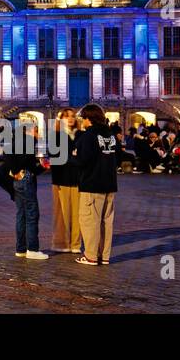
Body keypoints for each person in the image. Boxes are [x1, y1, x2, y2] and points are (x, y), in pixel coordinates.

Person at [75, 104, 118, 266]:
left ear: (89, 119)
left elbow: (83, 160)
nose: (82, 122)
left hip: (92, 183)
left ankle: (91, 255)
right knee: (107, 222)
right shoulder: (111, 134)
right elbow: (117, 156)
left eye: (83, 118)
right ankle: (104, 255)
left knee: (89, 220)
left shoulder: (88, 136)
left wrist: (70, 158)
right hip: (110, 183)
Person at [5, 120, 48, 259]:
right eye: (36, 130)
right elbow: (30, 167)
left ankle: (21, 249)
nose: (37, 133)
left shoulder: (15, 141)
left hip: (17, 180)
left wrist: (14, 171)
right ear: (28, 131)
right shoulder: (28, 141)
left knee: (21, 214)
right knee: (32, 214)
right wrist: (42, 166)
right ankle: (33, 249)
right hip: (26, 179)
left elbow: (7, 154)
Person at [50, 108, 82, 253]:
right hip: (60, 179)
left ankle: (75, 244)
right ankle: (61, 243)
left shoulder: (81, 135)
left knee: (77, 214)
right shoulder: (56, 136)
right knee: (61, 213)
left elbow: (84, 156)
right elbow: (56, 157)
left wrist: (72, 157)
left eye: (72, 116)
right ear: (60, 119)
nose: (70, 119)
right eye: (66, 116)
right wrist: (74, 157)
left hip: (78, 179)